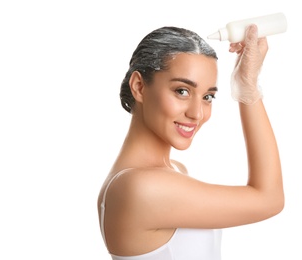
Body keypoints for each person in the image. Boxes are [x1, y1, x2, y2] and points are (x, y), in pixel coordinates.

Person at [97, 24, 284, 260]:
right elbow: (269, 199)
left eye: (208, 97)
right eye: (182, 91)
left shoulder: (170, 172)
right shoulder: (141, 188)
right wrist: (247, 86)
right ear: (139, 86)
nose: (197, 113)